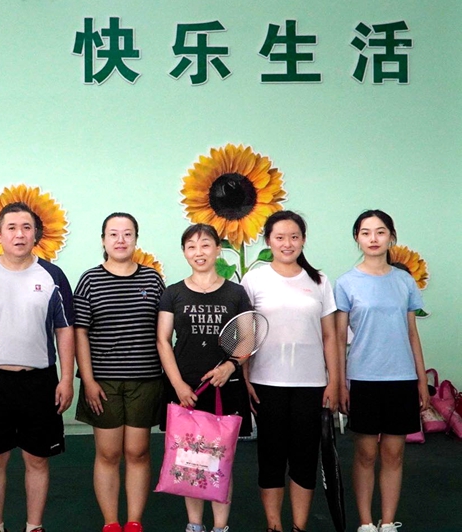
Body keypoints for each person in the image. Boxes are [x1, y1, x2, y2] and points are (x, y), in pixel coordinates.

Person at [0, 201, 75, 532]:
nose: (19, 234)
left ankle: (34, 526)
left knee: (37, 459)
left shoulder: (53, 276)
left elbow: (64, 329)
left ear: (36, 234)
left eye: (26, 227)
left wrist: (66, 379)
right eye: (11, 228)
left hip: (40, 382)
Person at [240, 210, 339, 532]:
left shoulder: (319, 281)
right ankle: (274, 526)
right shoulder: (254, 280)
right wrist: (245, 378)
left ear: (303, 240)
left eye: (294, 237)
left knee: (304, 459)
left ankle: (298, 527)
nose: (287, 243)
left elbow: (330, 336)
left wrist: (334, 381)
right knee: (271, 458)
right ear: (268, 241)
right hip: (265, 383)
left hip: (311, 385)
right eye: (280, 237)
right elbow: (246, 334)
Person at [156, 224, 254, 532]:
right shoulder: (173, 293)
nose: (199, 252)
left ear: (217, 249)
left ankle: (220, 526)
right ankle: (195, 525)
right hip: (187, 389)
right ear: (184, 252)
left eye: (206, 245)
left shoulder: (236, 293)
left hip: (225, 388)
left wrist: (231, 367)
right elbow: (163, 340)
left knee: (221, 459)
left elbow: (247, 339)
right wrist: (178, 385)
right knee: (190, 459)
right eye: (192, 246)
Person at [334, 210, 428, 532]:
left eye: (380, 232)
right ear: (357, 238)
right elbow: (338, 339)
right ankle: (365, 523)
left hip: (401, 379)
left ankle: (387, 523)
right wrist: (341, 383)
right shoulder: (346, 283)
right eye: (366, 232)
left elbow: (412, 333)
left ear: (391, 236)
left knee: (393, 454)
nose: (373, 238)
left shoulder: (404, 281)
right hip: (363, 379)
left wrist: (421, 381)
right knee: (365, 455)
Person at [73, 213, 165, 532]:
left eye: (127, 234)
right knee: (109, 453)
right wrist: (88, 380)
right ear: (103, 240)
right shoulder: (89, 280)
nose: (121, 240)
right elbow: (80, 333)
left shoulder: (152, 280)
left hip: (145, 380)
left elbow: (163, 332)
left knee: (137, 452)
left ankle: (134, 521)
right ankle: (111, 522)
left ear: (136, 239)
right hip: (103, 382)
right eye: (113, 234)